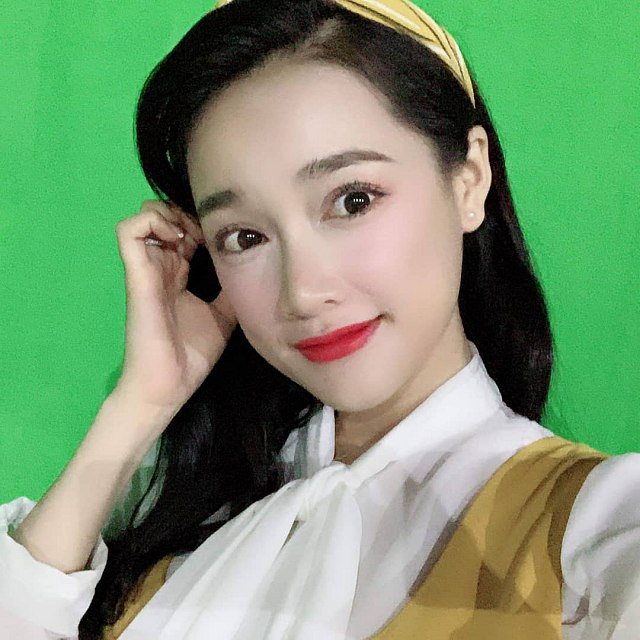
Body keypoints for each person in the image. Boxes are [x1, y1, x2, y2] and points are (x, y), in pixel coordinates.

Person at [0, 0, 638, 638]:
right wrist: (140, 403)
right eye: (244, 237)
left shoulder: (588, 528)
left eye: (353, 200)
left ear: (469, 179)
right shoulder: (180, 509)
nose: (302, 292)